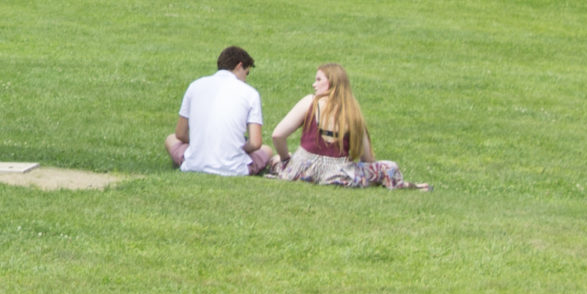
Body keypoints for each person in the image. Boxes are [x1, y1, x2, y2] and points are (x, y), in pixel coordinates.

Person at [270, 62, 428, 189]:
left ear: (331, 82)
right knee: (389, 167)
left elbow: (278, 135)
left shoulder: (310, 102)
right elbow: (368, 158)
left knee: (274, 158)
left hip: (301, 170)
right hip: (337, 174)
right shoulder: (352, 112)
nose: (314, 84)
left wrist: (286, 159)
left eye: (319, 80)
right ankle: (405, 185)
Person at [165, 45, 283, 176]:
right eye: (246, 73)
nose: (245, 78)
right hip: (235, 168)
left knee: (171, 139)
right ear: (239, 66)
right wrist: (236, 146)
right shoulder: (250, 93)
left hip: (194, 163)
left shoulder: (195, 86)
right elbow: (255, 143)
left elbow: (180, 134)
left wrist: (203, 142)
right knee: (266, 150)